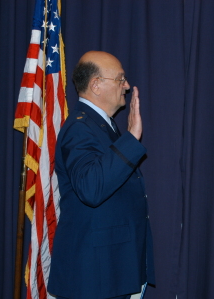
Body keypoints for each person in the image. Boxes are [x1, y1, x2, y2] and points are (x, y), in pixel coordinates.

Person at [48, 51, 154, 299]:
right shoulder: (79, 128)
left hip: (113, 269)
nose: (126, 86)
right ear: (96, 85)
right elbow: (91, 188)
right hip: (95, 275)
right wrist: (131, 139)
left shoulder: (102, 125)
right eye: (120, 79)